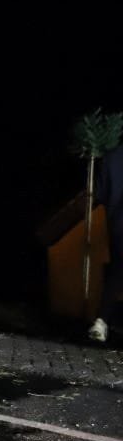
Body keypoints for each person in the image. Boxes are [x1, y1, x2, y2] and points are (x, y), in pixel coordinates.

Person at [88, 145, 123, 341]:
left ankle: (101, 320)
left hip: (118, 222)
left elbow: (99, 194)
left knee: (118, 269)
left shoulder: (112, 156)